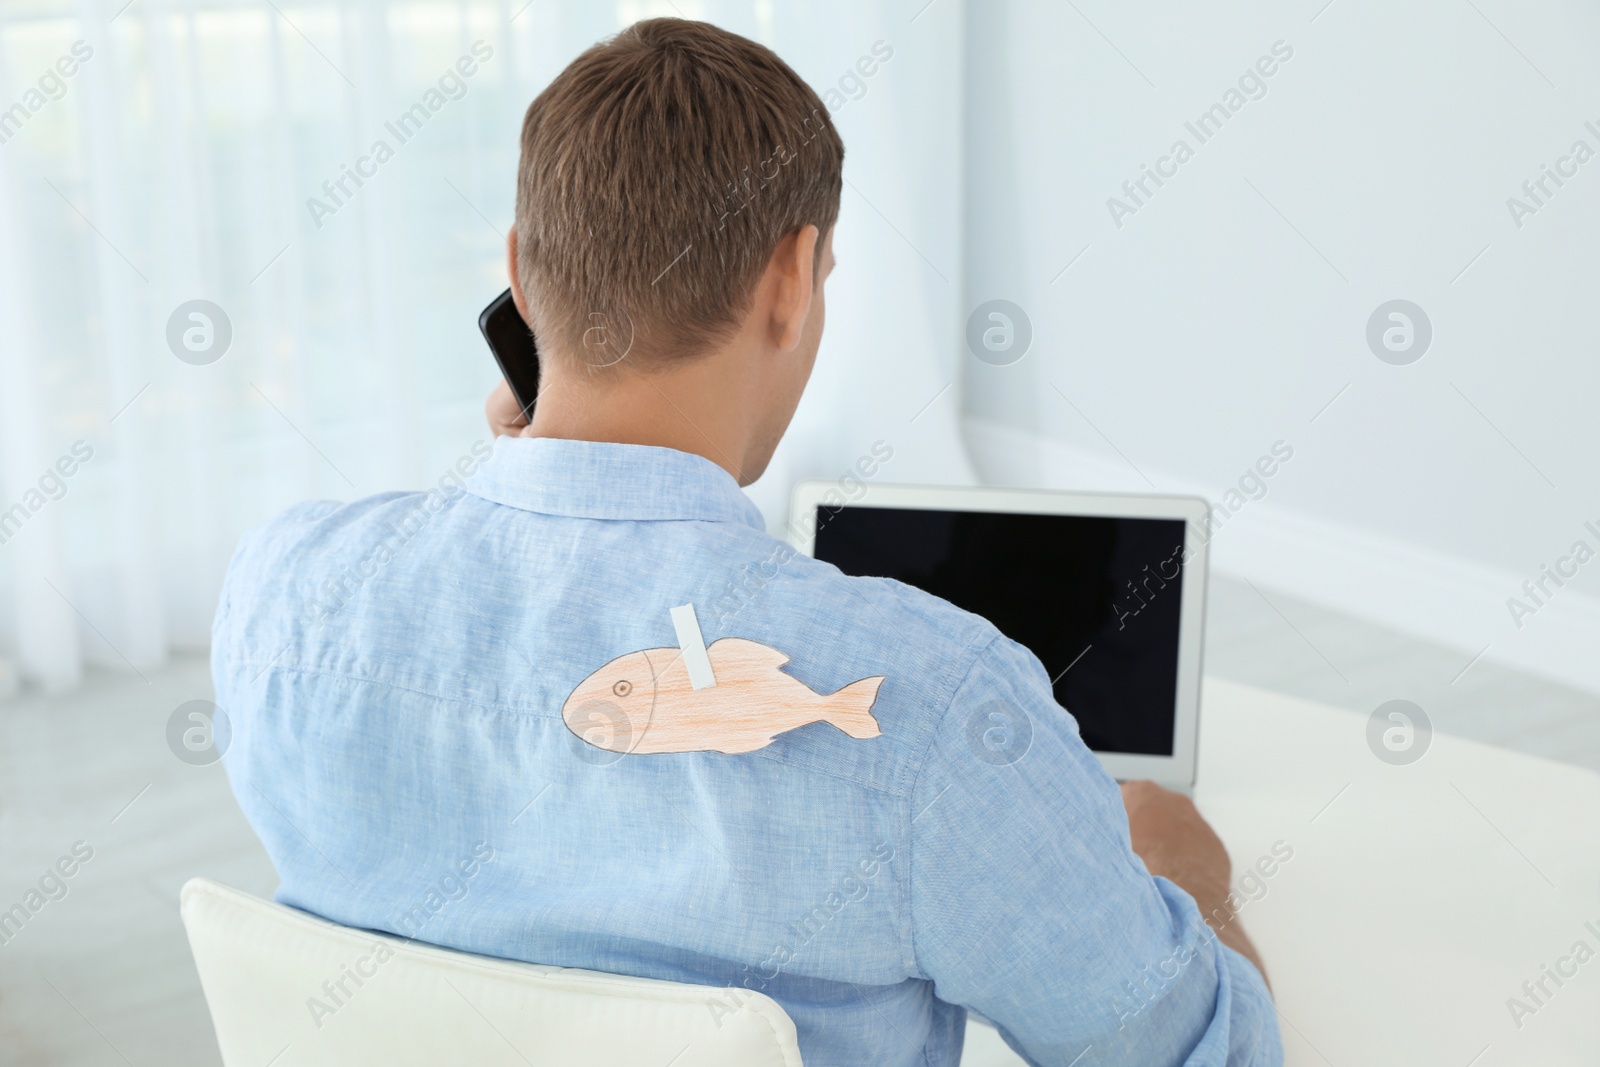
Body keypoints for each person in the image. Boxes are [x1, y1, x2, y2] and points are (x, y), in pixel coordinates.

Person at [212, 17, 1280, 1066]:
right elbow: (1199, 1052)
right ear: (788, 279)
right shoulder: (939, 708)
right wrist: (1190, 869)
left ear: (523, 280)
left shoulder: (280, 594)